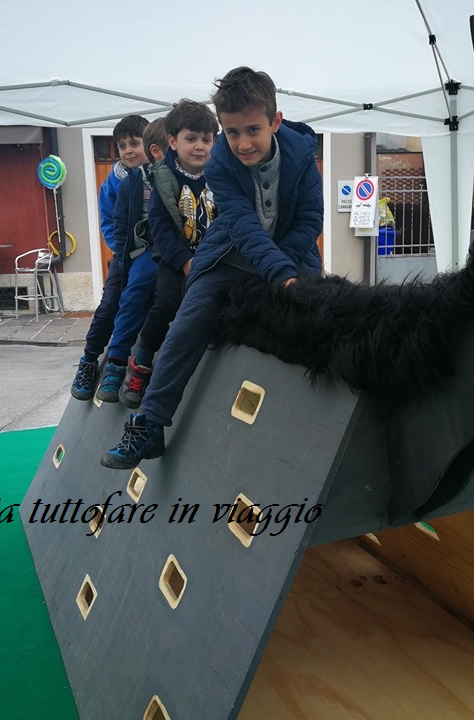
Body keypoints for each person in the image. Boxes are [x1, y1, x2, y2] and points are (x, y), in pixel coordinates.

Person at [102, 67, 323, 469]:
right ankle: (150, 424)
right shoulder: (219, 163)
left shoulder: (302, 156)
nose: (242, 143)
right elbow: (240, 225)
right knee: (186, 324)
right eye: (232, 132)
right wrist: (277, 275)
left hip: (292, 255)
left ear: (275, 121)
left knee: (320, 317)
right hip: (231, 255)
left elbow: (309, 220)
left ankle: (321, 424)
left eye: (253, 130)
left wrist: (285, 272)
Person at [118, 99, 219, 407]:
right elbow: (160, 228)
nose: (200, 146)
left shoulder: (220, 177)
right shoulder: (163, 178)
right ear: (173, 141)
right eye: (191, 139)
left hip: (212, 262)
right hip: (175, 262)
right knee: (164, 307)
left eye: (206, 139)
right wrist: (186, 262)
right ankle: (140, 364)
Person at [70, 116, 166, 401]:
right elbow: (110, 224)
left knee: (140, 297)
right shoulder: (113, 183)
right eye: (122, 146)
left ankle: (122, 361)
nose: (128, 151)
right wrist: (125, 252)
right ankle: (88, 360)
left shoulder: (161, 177)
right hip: (126, 253)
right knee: (110, 303)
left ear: (149, 145)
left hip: (152, 253)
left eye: (134, 143)